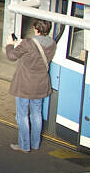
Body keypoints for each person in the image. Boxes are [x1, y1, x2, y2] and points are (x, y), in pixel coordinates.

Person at [6, 19, 56, 152]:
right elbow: (37, 51)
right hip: (40, 84)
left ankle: (24, 146)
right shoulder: (52, 43)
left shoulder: (28, 43)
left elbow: (11, 56)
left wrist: (10, 45)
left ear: (36, 29)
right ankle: (35, 143)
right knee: (37, 114)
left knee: (22, 115)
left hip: (24, 85)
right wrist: (22, 44)